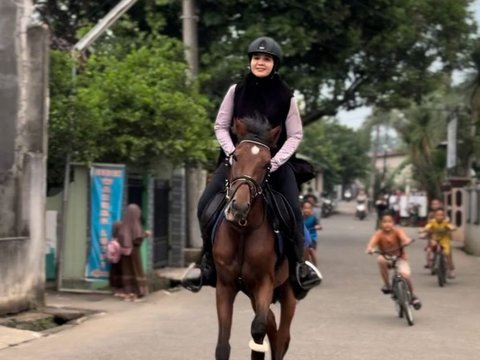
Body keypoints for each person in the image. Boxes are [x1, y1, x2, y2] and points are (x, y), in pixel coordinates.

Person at [182, 36, 322, 296]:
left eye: (266, 59)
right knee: (205, 204)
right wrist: (233, 153)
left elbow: (295, 135)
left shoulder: (287, 97)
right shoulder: (236, 91)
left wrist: (276, 161)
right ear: (250, 61)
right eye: (256, 58)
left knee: (292, 210)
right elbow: (220, 126)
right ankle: (207, 263)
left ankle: (299, 267)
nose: (260, 62)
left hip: (276, 165)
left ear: (274, 64)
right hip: (237, 162)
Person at [365, 211, 422, 310]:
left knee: (406, 276)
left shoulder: (397, 231)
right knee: (380, 259)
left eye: (390, 221)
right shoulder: (378, 234)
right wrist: (370, 249)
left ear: (393, 223)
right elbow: (371, 244)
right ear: (380, 224)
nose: (387, 224)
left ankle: (412, 296)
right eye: (384, 222)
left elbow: (404, 238)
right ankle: (387, 285)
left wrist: (406, 241)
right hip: (387, 259)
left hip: (400, 258)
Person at [117, 204, 151, 302]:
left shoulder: (123, 225)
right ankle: (138, 291)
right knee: (136, 270)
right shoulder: (136, 224)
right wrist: (145, 235)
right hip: (135, 253)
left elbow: (120, 237)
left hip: (125, 254)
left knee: (127, 270)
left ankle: (129, 291)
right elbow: (137, 240)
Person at [420, 207, 456, 278]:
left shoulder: (445, 222)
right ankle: (433, 263)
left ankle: (450, 269)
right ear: (435, 216)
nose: (440, 217)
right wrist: (423, 230)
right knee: (431, 249)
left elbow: (450, 226)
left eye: (441, 215)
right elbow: (428, 227)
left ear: (444, 216)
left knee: (447, 253)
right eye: (438, 215)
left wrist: (452, 228)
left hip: (444, 240)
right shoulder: (432, 222)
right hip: (435, 239)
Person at [422, 198, 444, 269]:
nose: (435, 205)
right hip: (432, 235)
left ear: (440, 204)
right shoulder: (431, 214)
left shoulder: (443, 213)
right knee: (429, 250)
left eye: (437, 204)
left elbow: (448, 223)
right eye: (433, 204)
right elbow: (428, 224)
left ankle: (449, 266)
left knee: (446, 251)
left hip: (443, 235)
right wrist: (425, 231)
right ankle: (429, 262)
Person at [302, 200, 321, 266]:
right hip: (302, 238)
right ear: (302, 209)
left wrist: (317, 227)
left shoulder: (313, 218)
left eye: (308, 208)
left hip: (311, 237)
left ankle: (315, 267)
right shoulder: (300, 219)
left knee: (311, 250)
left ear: (311, 210)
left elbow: (319, 226)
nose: (307, 210)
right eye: (305, 208)